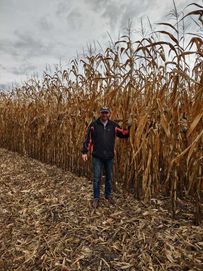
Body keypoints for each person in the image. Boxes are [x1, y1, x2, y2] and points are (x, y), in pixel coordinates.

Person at [81, 107, 130, 208]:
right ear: (100, 113)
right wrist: (85, 151)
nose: (104, 115)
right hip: (97, 156)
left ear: (109, 113)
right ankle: (96, 198)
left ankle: (108, 196)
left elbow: (123, 134)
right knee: (96, 178)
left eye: (106, 113)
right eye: (103, 113)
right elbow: (88, 139)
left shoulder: (113, 126)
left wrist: (131, 127)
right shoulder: (94, 125)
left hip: (109, 156)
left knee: (109, 177)